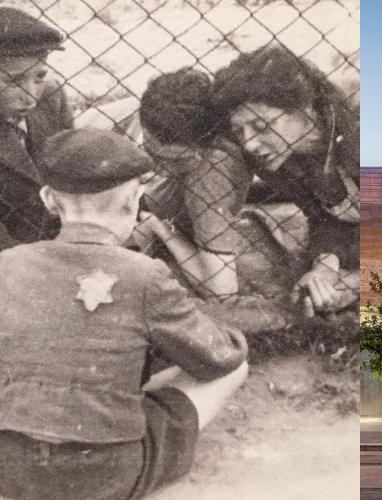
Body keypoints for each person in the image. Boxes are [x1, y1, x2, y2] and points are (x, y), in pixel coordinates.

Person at [0, 129, 249, 500]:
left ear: (49, 199)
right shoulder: (145, 274)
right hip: (105, 474)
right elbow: (219, 359)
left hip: (10, 467)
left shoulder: (8, 263)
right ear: (134, 200)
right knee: (232, 369)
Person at [138, 46, 360, 320]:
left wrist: (357, 281)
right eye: (240, 130)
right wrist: (326, 267)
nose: (250, 143)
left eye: (262, 126)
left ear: (303, 108)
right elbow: (326, 217)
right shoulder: (281, 157)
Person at [0, 7, 74, 245]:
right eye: (13, 80)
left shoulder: (51, 95)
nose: (30, 95)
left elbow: (72, 172)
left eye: (39, 77)